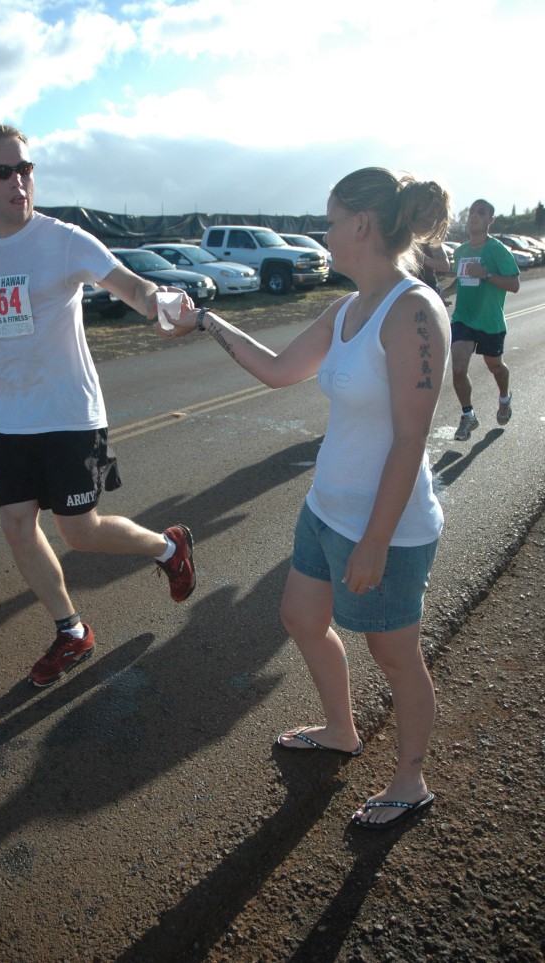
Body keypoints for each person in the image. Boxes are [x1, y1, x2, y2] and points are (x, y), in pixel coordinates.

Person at [160, 168, 451, 830]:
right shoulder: (346, 308)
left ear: (360, 226)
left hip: (388, 526)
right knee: (299, 615)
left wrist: (375, 539)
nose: (322, 233)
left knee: (394, 654)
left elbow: (411, 436)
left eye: (329, 219)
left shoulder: (413, 311)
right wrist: (205, 318)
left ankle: (410, 777)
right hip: (325, 509)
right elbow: (276, 369)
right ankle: (341, 730)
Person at [0, 123, 196, 688]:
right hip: (13, 415)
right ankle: (71, 631)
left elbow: (133, 288)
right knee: (17, 526)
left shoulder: (64, 240)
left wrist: (163, 304)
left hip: (70, 411)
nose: (18, 181)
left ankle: (168, 547)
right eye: (3, 172)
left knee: (78, 531)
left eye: (25, 168)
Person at [450, 199, 520, 441]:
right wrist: (441, 293)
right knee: (458, 369)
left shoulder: (498, 250)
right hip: (463, 319)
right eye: (471, 211)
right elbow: (458, 280)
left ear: (490, 220)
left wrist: (487, 274)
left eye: (481, 212)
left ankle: (504, 398)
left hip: (490, 321)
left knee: (495, 367)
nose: (474, 216)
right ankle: (468, 415)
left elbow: (514, 285)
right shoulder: (460, 251)